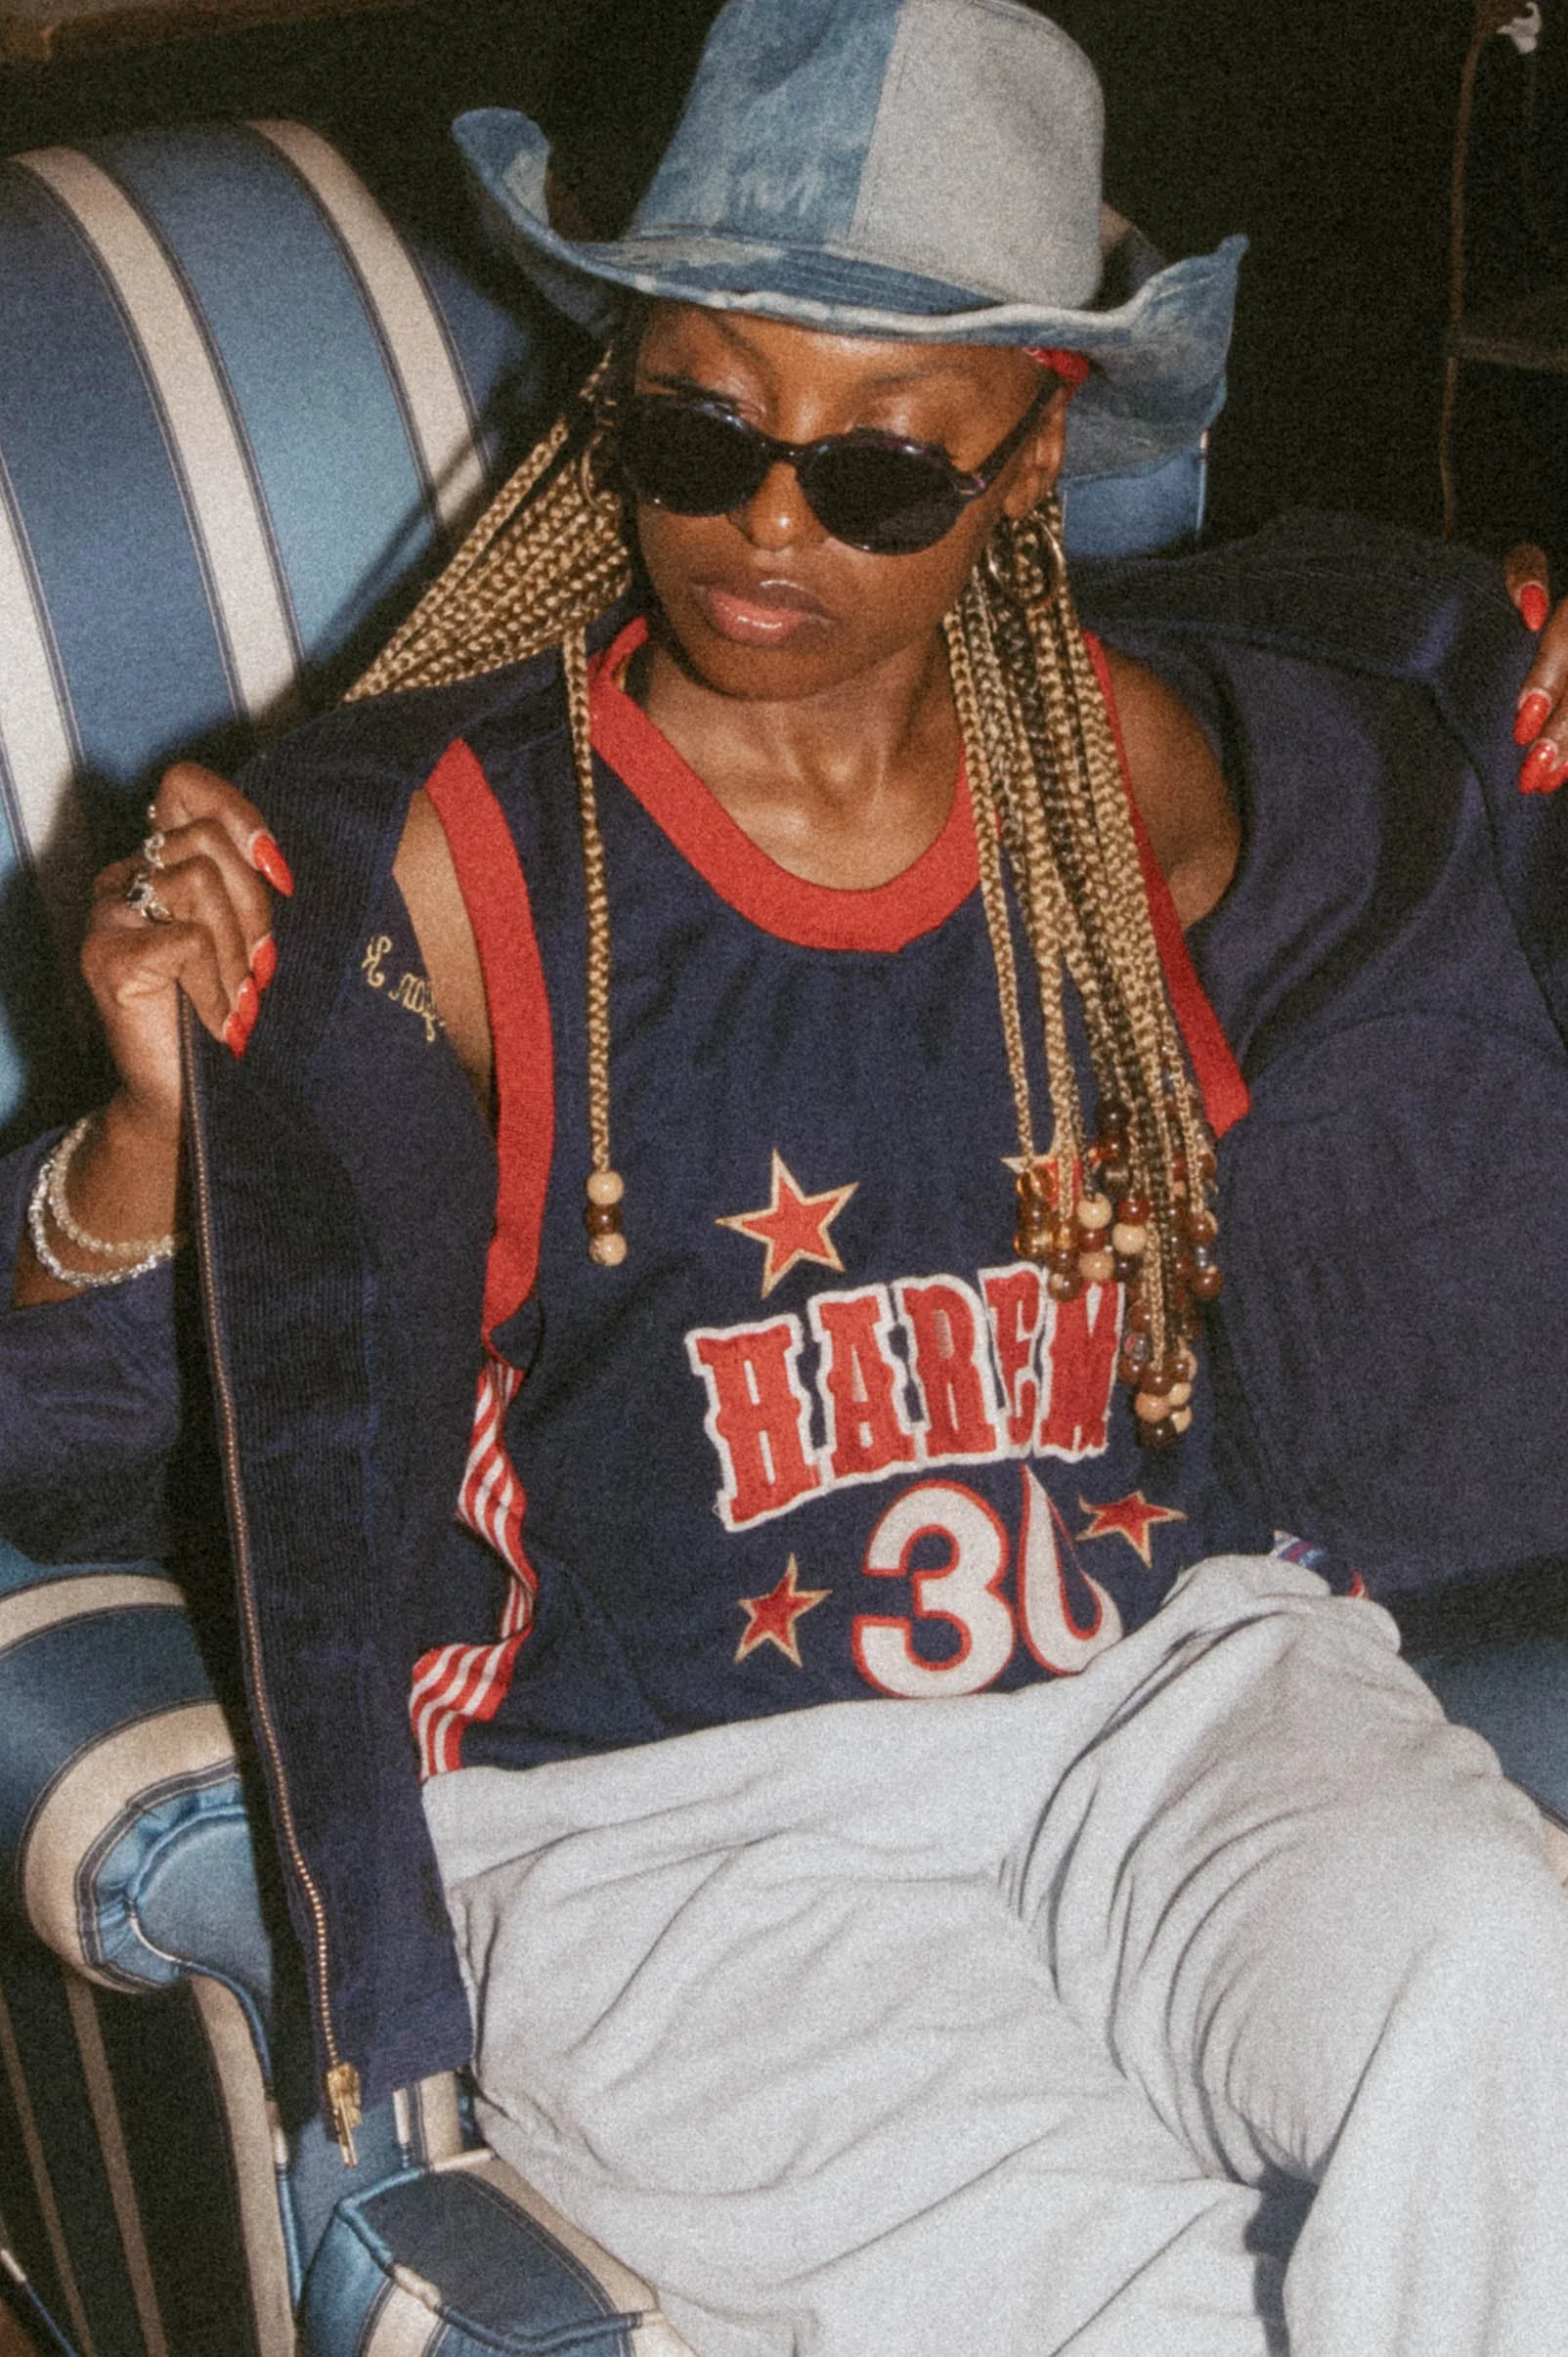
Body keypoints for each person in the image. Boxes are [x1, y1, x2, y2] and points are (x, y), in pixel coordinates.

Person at [4, 2, 1568, 2350]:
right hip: (667, 1831)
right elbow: (70, 1445)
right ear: (613, 378)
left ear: (1029, 461)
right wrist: (135, 1130)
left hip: (1177, 1700)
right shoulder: (434, 864)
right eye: (700, 423)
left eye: (880, 473)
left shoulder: (1142, 772)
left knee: (1501, 1989)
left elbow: (1421, 780)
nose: (763, 524)